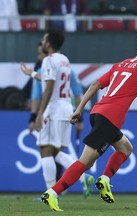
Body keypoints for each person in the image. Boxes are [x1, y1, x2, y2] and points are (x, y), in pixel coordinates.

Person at [39, 30, 137, 211]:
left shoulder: (120, 64)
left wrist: (79, 109)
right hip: (109, 119)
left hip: (97, 113)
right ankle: (52, 193)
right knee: (85, 162)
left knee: (126, 147)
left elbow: (95, 84)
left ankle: (105, 179)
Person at [20, 28, 94, 199]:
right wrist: (32, 73)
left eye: (44, 39)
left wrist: (39, 114)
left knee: (45, 151)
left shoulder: (48, 60)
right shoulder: (64, 60)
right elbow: (49, 79)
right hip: (66, 108)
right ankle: (83, 177)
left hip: (53, 110)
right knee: (55, 152)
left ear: (48, 43)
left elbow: (50, 86)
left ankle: (51, 193)